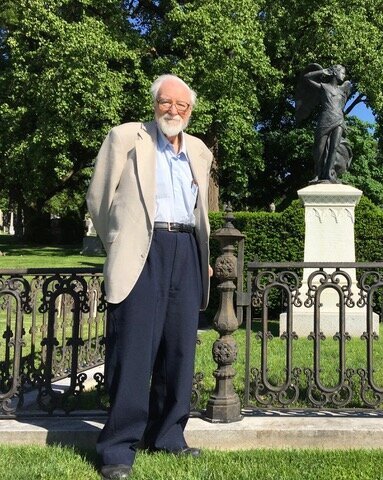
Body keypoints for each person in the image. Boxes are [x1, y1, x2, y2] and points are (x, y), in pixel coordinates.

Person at [86, 74, 214, 480]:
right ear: (154, 103)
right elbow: (99, 198)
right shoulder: (126, 138)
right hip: (142, 251)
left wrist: (202, 256)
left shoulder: (198, 150)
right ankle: (118, 449)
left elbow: (199, 211)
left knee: (179, 351)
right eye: (166, 102)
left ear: (190, 112)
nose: (173, 111)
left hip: (186, 250)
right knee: (135, 351)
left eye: (182, 105)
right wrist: (119, 242)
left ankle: (169, 435)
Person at [295, 64, 353, 183]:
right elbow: (307, 78)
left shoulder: (343, 90)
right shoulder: (323, 87)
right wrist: (323, 71)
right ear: (334, 72)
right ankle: (318, 173)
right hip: (325, 118)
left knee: (334, 147)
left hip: (339, 120)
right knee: (319, 148)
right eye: (342, 72)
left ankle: (330, 173)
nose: (344, 75)